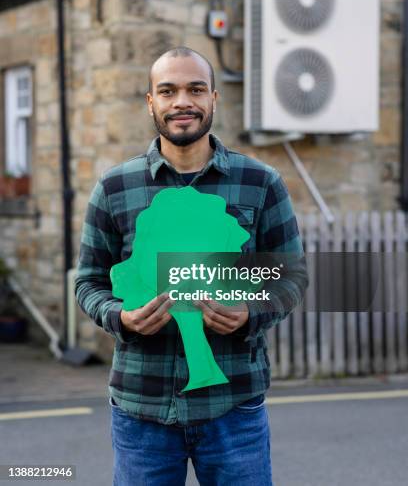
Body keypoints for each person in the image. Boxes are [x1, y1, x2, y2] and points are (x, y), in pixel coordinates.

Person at [75, 47, 307, 486]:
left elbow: (292, 275)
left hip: (234, 406)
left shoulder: (260, 183)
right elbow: (89, 281)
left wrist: (252, 313)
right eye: (168, 90)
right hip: (140, 409)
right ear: (151, 102)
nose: (183, 101)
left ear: (214, 98)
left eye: (195, 89)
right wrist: (119, 317)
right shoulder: (114, 187)